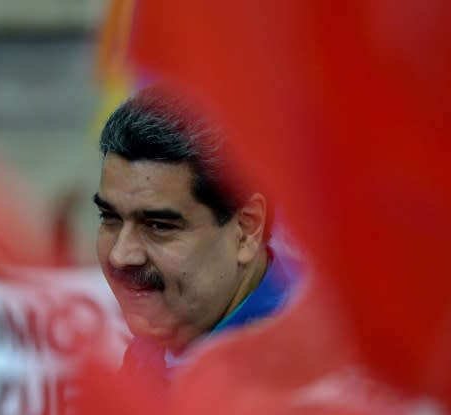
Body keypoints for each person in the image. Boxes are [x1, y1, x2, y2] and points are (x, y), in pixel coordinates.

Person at [94, 85, 301, 387]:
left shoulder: (310, 384)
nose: (121, 255)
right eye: (110, 218)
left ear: (247, 229)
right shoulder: (155, 347)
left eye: (158, 226)